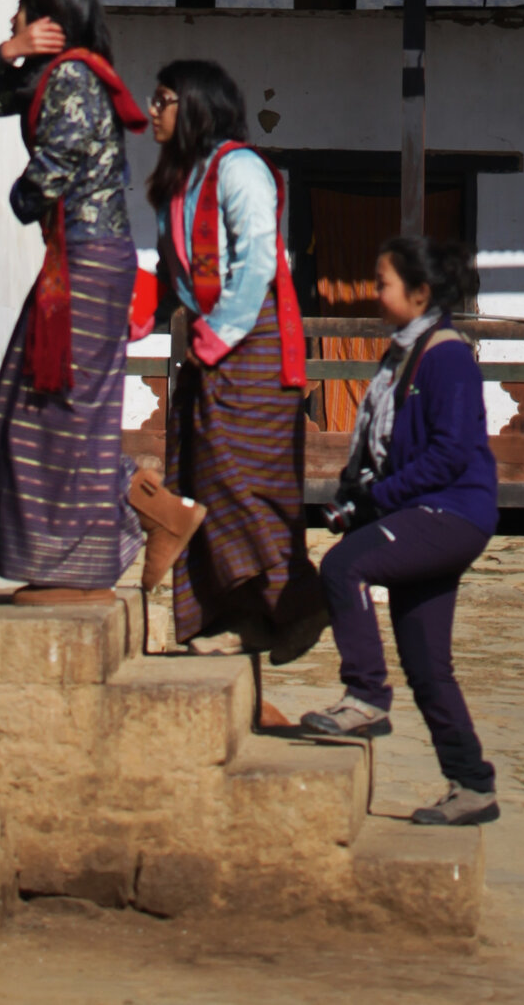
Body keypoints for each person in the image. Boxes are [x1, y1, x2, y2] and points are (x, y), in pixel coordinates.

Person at [0, 0, 144, 603]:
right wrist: (8, 54)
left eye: (21, 11)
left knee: (53, 411)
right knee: (56, 409)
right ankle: (143, 514)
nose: (12, 21)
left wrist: (19, 200)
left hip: (83, 262)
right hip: (82, 261)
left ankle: (77, 562)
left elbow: (52, 171)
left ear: (50, 17)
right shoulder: (51, 77)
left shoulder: (75, 79)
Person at [296, 230, 500, 825]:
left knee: (343, 566)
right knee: (427, 662)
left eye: (383, 282)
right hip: (421, 514)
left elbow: (451, 454)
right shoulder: (402, 354)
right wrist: (357, 487)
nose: (373, 290)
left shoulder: (448, 358)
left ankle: (364, 695)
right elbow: (384, 441)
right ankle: (472, 784)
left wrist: (378, 498)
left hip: (451, 513)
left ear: (420, 292)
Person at [147, 57, 325, 657]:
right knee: (199, 480)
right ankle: (230, 620)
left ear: (195, 105)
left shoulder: (241, 169)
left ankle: (299, 605)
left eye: (164, 98)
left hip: (253, 345)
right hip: (208, 345)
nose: (153, 110)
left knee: (247, 484)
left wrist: (216, 337)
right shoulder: (177, 180)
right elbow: (174, 277)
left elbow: (255, 264)